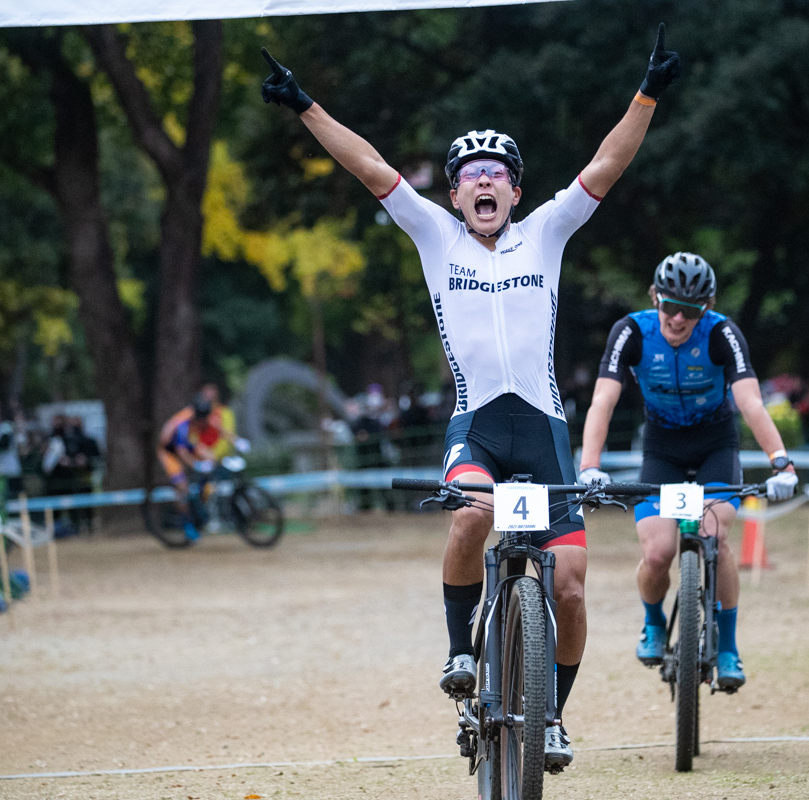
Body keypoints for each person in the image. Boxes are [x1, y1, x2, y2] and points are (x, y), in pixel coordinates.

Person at [261, 23, 681, 769]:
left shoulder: (547, 231)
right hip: (478, 427)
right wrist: (304, 106)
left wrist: (646, 94)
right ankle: (461, 651)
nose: (484, 181)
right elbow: (371, 168)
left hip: (545, 430)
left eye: (497, 173)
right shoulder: (434, 237)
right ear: (453, 193)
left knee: (575, 591)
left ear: (516, 191)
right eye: (469, 174)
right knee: (472, 515)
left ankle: (551, 717)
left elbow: (606, 166)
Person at [577, 252, 798, 691]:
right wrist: (589, 466)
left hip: (716, 443)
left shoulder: (722, 334)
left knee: (715, 536)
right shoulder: (631, 333)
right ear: (655, 297)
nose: (678, 319)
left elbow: (751, 402)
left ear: (707, 308)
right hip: (663, 449)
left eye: (691, 311)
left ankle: (729, 647)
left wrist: (781, 461)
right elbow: (603, 401)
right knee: (658, 553)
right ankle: (654, 621)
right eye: (670, 306)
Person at [157, 394, 249, 541]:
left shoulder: (204, 415)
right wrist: (196, 464)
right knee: (182, 486)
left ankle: (203, 498)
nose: (205, 423)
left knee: (212, 459)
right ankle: (187, 526)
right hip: (170, 451)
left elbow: (219, 429)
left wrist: (237, 441)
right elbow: (182, 452)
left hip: (188, 445)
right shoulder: (182, 424)